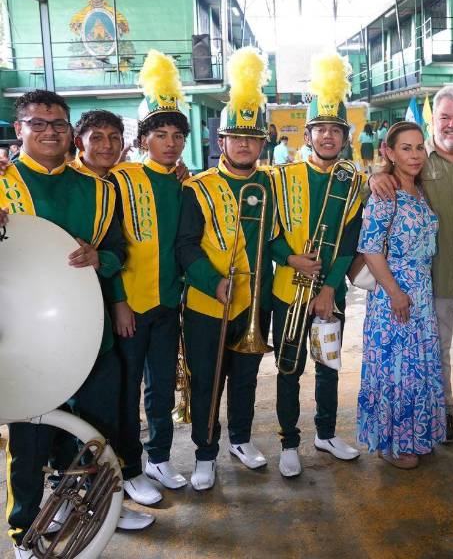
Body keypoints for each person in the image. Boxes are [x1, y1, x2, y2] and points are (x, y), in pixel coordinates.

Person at [1, 90, 150, 559]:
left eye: (58, 124)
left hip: (89, 331)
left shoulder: (100, 189)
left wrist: (100, 257)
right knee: (30, 440)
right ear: (19, 129)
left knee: (97, 429)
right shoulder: (2, 183)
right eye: (37, 123)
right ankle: (25, 531)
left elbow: (119, 251)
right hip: (21, 338)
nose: (49, 132)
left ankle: (97, 507)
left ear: (70, 132)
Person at [370, 86, 453, 443]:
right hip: (432, 282)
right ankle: (442, 411)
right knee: (436, 353)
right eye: (445, 116)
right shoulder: (418, 159)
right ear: (434, 120)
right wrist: (374, 176)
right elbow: (383, 189)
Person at [176, 47, 276, 490]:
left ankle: (240, 439)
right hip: (208, 302)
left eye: (252, 138)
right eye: (236, 137)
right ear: (222, 143)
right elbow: (184, 247)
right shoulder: (197, 187)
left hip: (254, 301)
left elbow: (276, 237)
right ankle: (205, 451)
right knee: (207, 382)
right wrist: (212, 282)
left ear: (262, 144)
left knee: (246, 378)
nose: (244, 145)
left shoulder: (270, 183)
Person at [271, 52, 364, 478]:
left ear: (345, 136)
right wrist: (290, 258)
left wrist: (328, 289)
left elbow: (349, 241)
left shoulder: (353, 182)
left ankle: (326, 433)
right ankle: (288, 442)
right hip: (287, 292)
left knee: (328, 367)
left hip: (330, 294)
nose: (328, 136)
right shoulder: (280, 177)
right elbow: (267, 235)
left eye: (336, 130)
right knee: (289, 369)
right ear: (308, 135)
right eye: (320, 129)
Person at [109, 51, 189, 506]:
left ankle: (159, 457)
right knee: (126, 392)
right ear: (142, 140)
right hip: (131, 307)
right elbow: (110, 242)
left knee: (162, 388)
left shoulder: (185, 182)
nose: (170, 143)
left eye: (177, 136)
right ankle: (128, 468)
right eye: (160, 135)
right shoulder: (118, 179)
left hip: (168, 303)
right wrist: (119, 300)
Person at [357, 121, 445, 468]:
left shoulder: (419, 191)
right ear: (389, 153)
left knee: (417, 368)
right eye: (406, 148)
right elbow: (370, 249)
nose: (415, 155)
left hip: (421, 293)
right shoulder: (385, 193)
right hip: (393, 296)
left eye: (420, 147)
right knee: (396, 370)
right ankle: (392, 444)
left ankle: (417, 435)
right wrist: (395, 293)